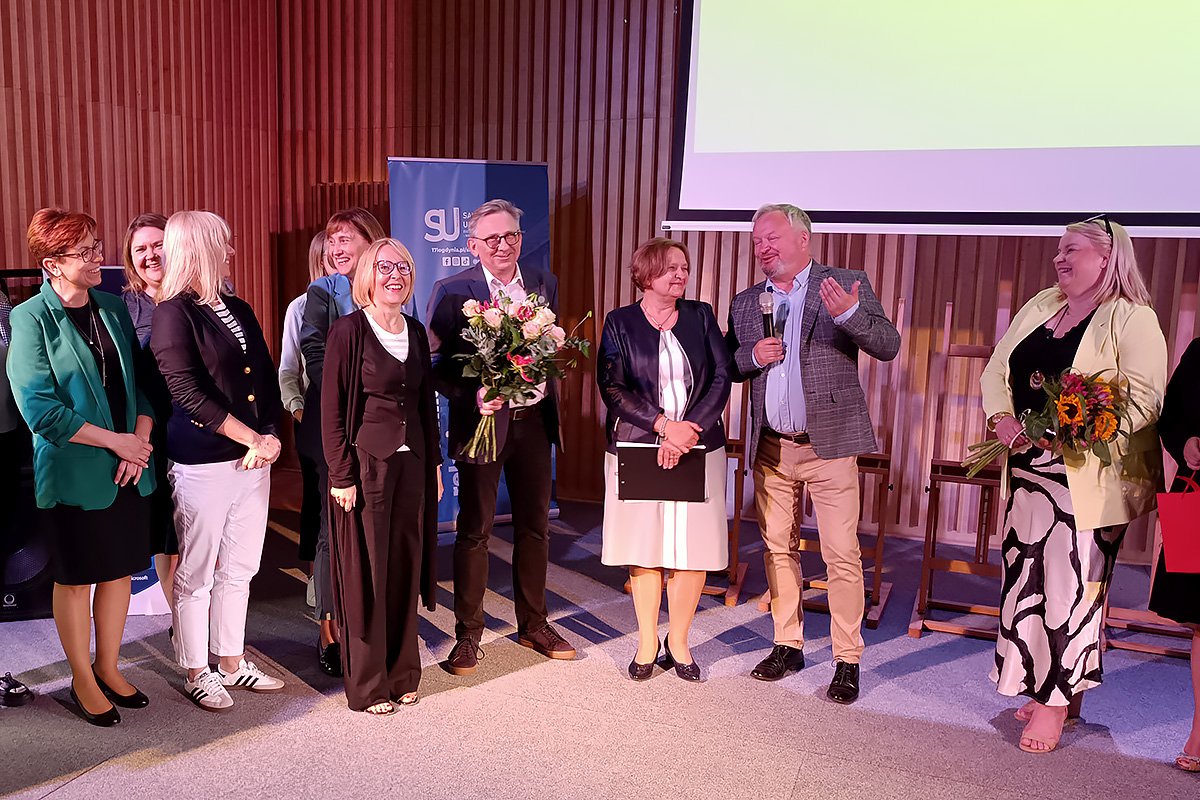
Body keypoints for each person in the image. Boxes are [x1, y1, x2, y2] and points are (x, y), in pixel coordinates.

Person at [980, 216, 1166, 753]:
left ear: (1108, 258)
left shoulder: (1132, 317)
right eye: (1058, 250)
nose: (1059, 259)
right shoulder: (1042, 304)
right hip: (1028, 470)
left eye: (1072, 250)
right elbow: (997, 370)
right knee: (1026, 583)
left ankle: (1055, 703)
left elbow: (1146, 399)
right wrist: (1001, 419)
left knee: (1071, 589)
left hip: (1087, 477)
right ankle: (1045, 684)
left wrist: (1082, 430)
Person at [726, 203, 900, 704]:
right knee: (777, 548)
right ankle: (788, 644)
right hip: (772, 448)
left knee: (840, 554)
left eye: (772, 237)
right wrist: (750, 356)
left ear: (803, 239)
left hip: (830, 446)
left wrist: (849, 315)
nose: (763, 247)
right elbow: (729, 364)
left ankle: (847, 658)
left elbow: (888, 344)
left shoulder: (843, 284)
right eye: (757, 240)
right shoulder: (747, 301)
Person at [7, 208, 157, 726]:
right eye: (86, 251)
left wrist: (139, 442)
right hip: (74, 471)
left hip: (129, 465)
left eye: (96, 245)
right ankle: (82, 677)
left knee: (118, 571)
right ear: (52, 264)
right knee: (75, 579)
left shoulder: (113, 307)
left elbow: (142, 385)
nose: (99, 257)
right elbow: (40, 409)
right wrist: (118, 443)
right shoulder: (29, 318)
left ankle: (108, 666)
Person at [427, 199, 575, 674]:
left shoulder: (543, 283)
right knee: (475, 531)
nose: (502, 245)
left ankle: (534, 623)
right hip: (484, 425)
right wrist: (474, 395)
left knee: (535, 527)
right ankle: (467, 635)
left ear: (520, 238)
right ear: (473, 246)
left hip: (534, 423)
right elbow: (435, 365)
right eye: (491, 238)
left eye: (510, 236)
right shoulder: (453, 291)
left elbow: (549, 349)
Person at [151, 210, 285, 711]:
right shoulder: (173, 313)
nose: (231, 251)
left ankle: (231, 661)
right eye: (223, 243)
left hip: (253, 460)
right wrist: (252, 437)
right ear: (200, 249)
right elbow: (187, 393)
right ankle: (196, 670)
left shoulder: (238, 306)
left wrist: (271, 436)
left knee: (242, 566)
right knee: (197, 573)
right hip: (203, 462)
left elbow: (264, 378)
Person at [597, 238, 731, 681]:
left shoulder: (700, 315)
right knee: (645, 546)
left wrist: (688, 430)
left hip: (699, 445)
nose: (680, 274)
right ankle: (646, 641)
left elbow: (721, 377)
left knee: (692, 548)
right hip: (640, 445)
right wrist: (662, 426)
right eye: (671, 267)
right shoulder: (620, 322)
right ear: (646, 273)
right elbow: (611, 386)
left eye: (684, 267)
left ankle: (680, 641)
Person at [322, 237, 443, 714]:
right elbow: (332, 410)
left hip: (413, 465)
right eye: (386, 267)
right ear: (367, 275)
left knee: (405, 567)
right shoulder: (348, 331)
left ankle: (403, 673)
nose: (396, 275)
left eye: (404, 267)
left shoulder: (415, 331)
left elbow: (425, 404)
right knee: (368, 575)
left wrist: (435, 465)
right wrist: (341, 474)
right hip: (366, 466)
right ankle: (370, 685)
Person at [299, 208, 386, 676]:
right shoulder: (323, 291)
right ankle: (328, 631)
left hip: (381, 430)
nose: (335, 248)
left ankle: (369, 622)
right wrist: (351, 398)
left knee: (375, 527)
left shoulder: (392, 288)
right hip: (333, 425)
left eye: (346, 239)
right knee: (332, 530)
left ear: (370, 243)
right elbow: (313, 351)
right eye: (331, 240)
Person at [1147, 335, 1200, 771]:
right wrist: (1185, 442)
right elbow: (1170, 418)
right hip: (1195, 494)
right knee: (1199, 619)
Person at [121, 213, 178, 609]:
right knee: (165, 536)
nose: (151, 255)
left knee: (200, 536)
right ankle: (182, 626)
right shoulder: (123, 308)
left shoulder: (198, 296)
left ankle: (205, 625)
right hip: (152, 434)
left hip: (200, 430)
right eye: (140, 249)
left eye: (158, 245)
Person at [280, 230, 333, 606]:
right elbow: (288, 370)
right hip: (315, 420)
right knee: (317, 510)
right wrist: (301, 411)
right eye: (330, 254)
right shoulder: (300, 307)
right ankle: (318, 589)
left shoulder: (369, 302)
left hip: (360, 426)